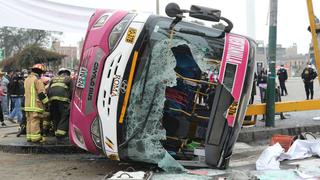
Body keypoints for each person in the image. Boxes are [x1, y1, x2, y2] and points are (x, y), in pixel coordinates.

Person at [24, 64, 49, 143]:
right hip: (35, 105)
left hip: (27, 105)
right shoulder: (37, 80)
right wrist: (47, 103)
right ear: (39, 72)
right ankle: (36, 138)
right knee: (35, 121)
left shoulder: (27, 79)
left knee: (29, 121)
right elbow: (41, 93)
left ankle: (29, 137)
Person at [47, 68, 73, 141]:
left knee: (55, 116)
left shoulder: (53, 79)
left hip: (52, 100)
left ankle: (56, 132)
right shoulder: (69, 79)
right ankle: (61, 134)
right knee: (65, 115)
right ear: (68, 73)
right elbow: (72, 91)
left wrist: (48, 101)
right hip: (63, 100)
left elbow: (48, 90)